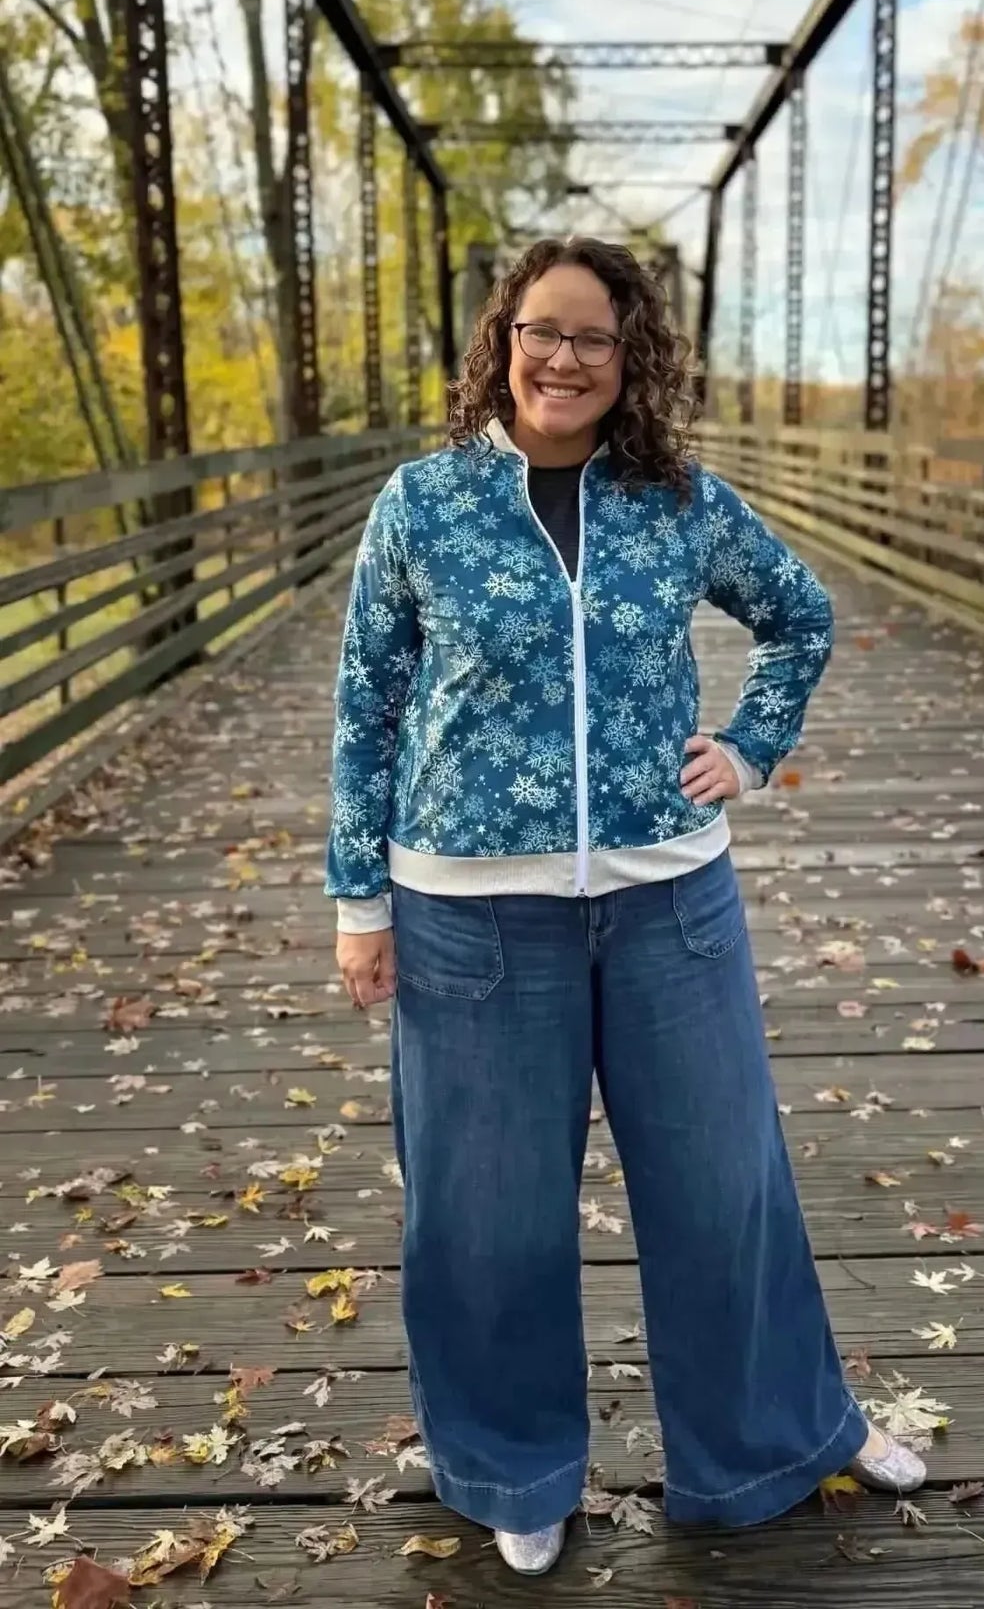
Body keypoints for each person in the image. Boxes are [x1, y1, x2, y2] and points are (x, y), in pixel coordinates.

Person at [326, 236, 925, 1577]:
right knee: (483, 1214)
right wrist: (357, 897)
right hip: (469, 914)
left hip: (670, 900)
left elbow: (802, 616)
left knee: (726, 1189)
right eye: (545, 330)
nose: (566, 359)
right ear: (505, 337)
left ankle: (774, 1441)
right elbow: (365, 700)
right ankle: (511, 1467)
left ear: (629, 359)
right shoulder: (423, 504)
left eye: (596, 339)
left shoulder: (678, 500)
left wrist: (753, 745)